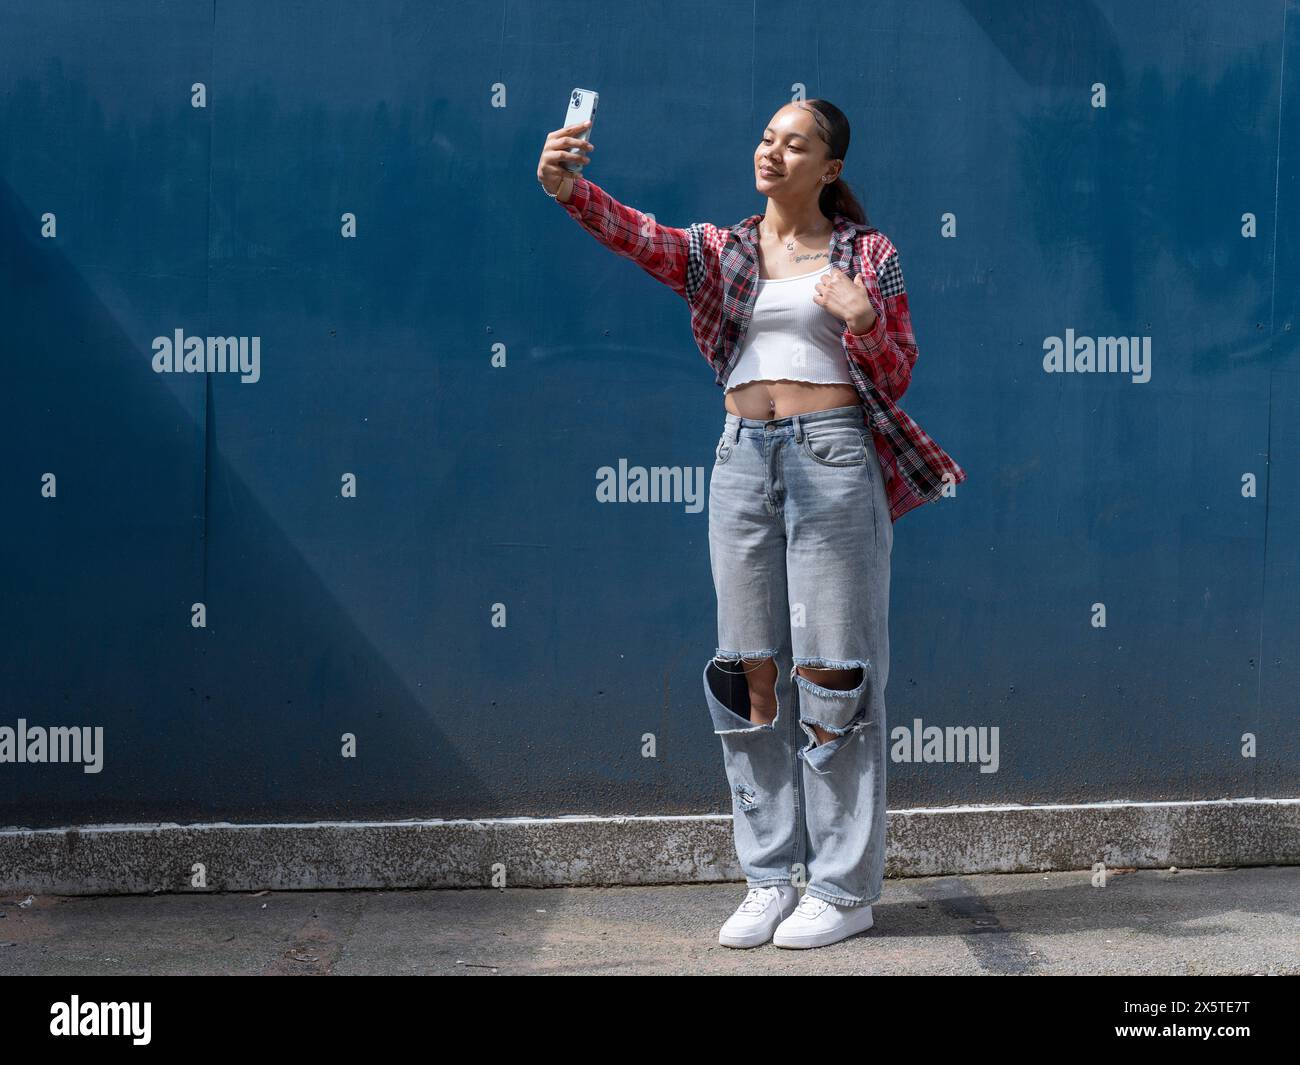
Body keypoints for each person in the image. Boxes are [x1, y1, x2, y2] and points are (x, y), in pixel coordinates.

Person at [537, 99, 965, 949]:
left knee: (836, 674)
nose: (772, 152)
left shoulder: (868, 255)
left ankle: (842, 889)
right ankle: (769, 876)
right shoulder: (722, 250)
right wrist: (567, 188)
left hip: (833, 457)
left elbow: (898, 370)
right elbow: (640, 236)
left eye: (795, 144)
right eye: (768, 138)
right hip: (741, 459)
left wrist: (863, 319)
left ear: (830, 169)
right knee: (745, 672)